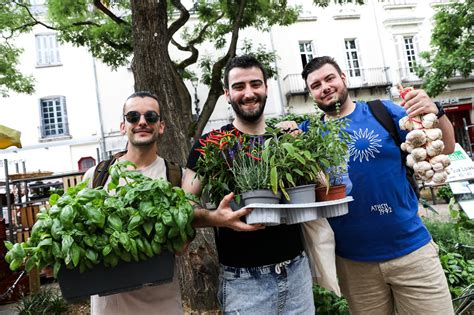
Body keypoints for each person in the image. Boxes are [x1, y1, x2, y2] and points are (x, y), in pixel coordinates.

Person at [296, 56, 455, 314]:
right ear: (311, 94)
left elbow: (445, 147)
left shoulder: (382, 112)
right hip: (354, 264)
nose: (324, 87)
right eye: (315, 85)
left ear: (344, 78)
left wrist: (436, 111)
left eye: (329, 78)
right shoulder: (308, 134)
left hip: (412, 252)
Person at [182, 55, 315, 314]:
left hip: (296, 272)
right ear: (227, 94)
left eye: (255, 84)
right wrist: (215, 218)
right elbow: (183, 205)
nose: (249, 93)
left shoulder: (285, 137)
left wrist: (301, 142)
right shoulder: (211, 144)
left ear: (266, 87)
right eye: (239, 87)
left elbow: (322, 188)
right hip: (243, 283)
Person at [82, 91, 183, 315]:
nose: (142, 122)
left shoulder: (177, 176)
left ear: (162, 126)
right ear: (123, 126)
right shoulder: (96, 175)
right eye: (133, 117)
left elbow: (181, 246)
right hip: (110, 307)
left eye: (151, 117)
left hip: (163, 305)